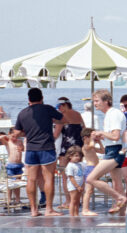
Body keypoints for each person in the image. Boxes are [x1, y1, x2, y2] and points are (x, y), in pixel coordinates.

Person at [11, 87, 64, 217]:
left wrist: (26, 132)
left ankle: (34, 210)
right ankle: (49, 209)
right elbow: (62, 119)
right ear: (42, 98)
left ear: (29, 99)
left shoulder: (22, 113)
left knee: (31, 179)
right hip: (46, 148)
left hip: (31, 150)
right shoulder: (47, 109)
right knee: (48, 178)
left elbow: (17, 133)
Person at [81, 90, 127, 216]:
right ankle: (123, 215)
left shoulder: (113, 114)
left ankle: (120, 198)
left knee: (91, 178)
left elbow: (115, 136)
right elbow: (113, 136)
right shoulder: (110, 114)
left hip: (114, 151)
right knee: (117, 183)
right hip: (113, 149)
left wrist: (100, 133)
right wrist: (102, 137)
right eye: (94, 101)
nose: (95, 104)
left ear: (106, 101)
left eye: (97, 101)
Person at [53, 97, 84, 168]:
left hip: (66, 145)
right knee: (78, 167)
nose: (58, 109)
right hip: (79, 144)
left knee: (63, 167)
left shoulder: (61, 116)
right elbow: (84, 129)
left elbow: (56, 134)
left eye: (59, 106)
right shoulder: (78, 114)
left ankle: (64, 179)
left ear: (65, 105)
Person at [79, 128, 102, 213]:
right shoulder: (85, 147)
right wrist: (93, 139)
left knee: (91, 190)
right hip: (90, 168)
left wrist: (99, 142)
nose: (94, 138)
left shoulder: (91, 147)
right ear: (85, 137)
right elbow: (91, 145)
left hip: (95, 168)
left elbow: (102, 151)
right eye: (91, 137)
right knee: (88, 190)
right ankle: (85, 209)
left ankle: (86, 208)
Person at [0, 132, 24, 206]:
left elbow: (23, 149)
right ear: (10, 134)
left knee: (17, 184)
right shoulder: (8, 142)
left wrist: (21, 148)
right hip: (11, 165)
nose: (14, 138)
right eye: (13, 136)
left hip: (19, 165)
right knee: (10, 184)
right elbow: (0, 138)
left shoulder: (20, 141)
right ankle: (9, 200)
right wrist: (8, 136)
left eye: (16, 137)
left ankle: (17, 199)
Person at [64, 146, 85, 217]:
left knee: (77, 201)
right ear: (70, 156)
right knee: (73, 201)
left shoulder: (79, 165)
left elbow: (83, 175)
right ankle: (72, 215)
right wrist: (77, 186)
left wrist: (82, 185)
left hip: (79, 185)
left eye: (79, 156)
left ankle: (76, 214)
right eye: (76, 156)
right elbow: (71, 177)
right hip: (73, 186)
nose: (78, 157)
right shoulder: (70, 166)